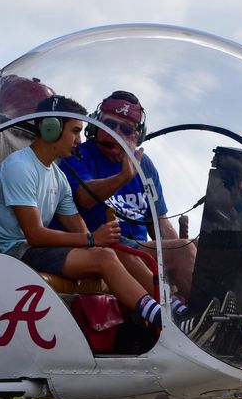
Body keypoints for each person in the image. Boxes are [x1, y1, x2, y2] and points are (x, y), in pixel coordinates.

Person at [0, 95, 165, 327]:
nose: (79, 140)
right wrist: (92, 239)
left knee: (112, 249)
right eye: (75, 131)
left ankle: (176, 311)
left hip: (34, 249)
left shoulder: (58, 177)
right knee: (104, 256)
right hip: (12, 253)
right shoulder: (20, 167)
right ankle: (162, 321)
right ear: (51, 129)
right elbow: (35, 235)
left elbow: (81, 229)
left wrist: (102, 239)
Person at [58, 91, 198, 318]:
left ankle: (237, 321)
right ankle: (191, 322)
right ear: (95, 125)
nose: (115, 133)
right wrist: (123, 176)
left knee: (200, 250)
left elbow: (159, 223)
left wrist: (183, 248)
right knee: (182, 252)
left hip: (140, 251)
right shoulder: (78, 155)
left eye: (125, 129)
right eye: (110, 124)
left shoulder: (145, 166)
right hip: (105, 246)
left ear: (138, 136)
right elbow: (85, 196)